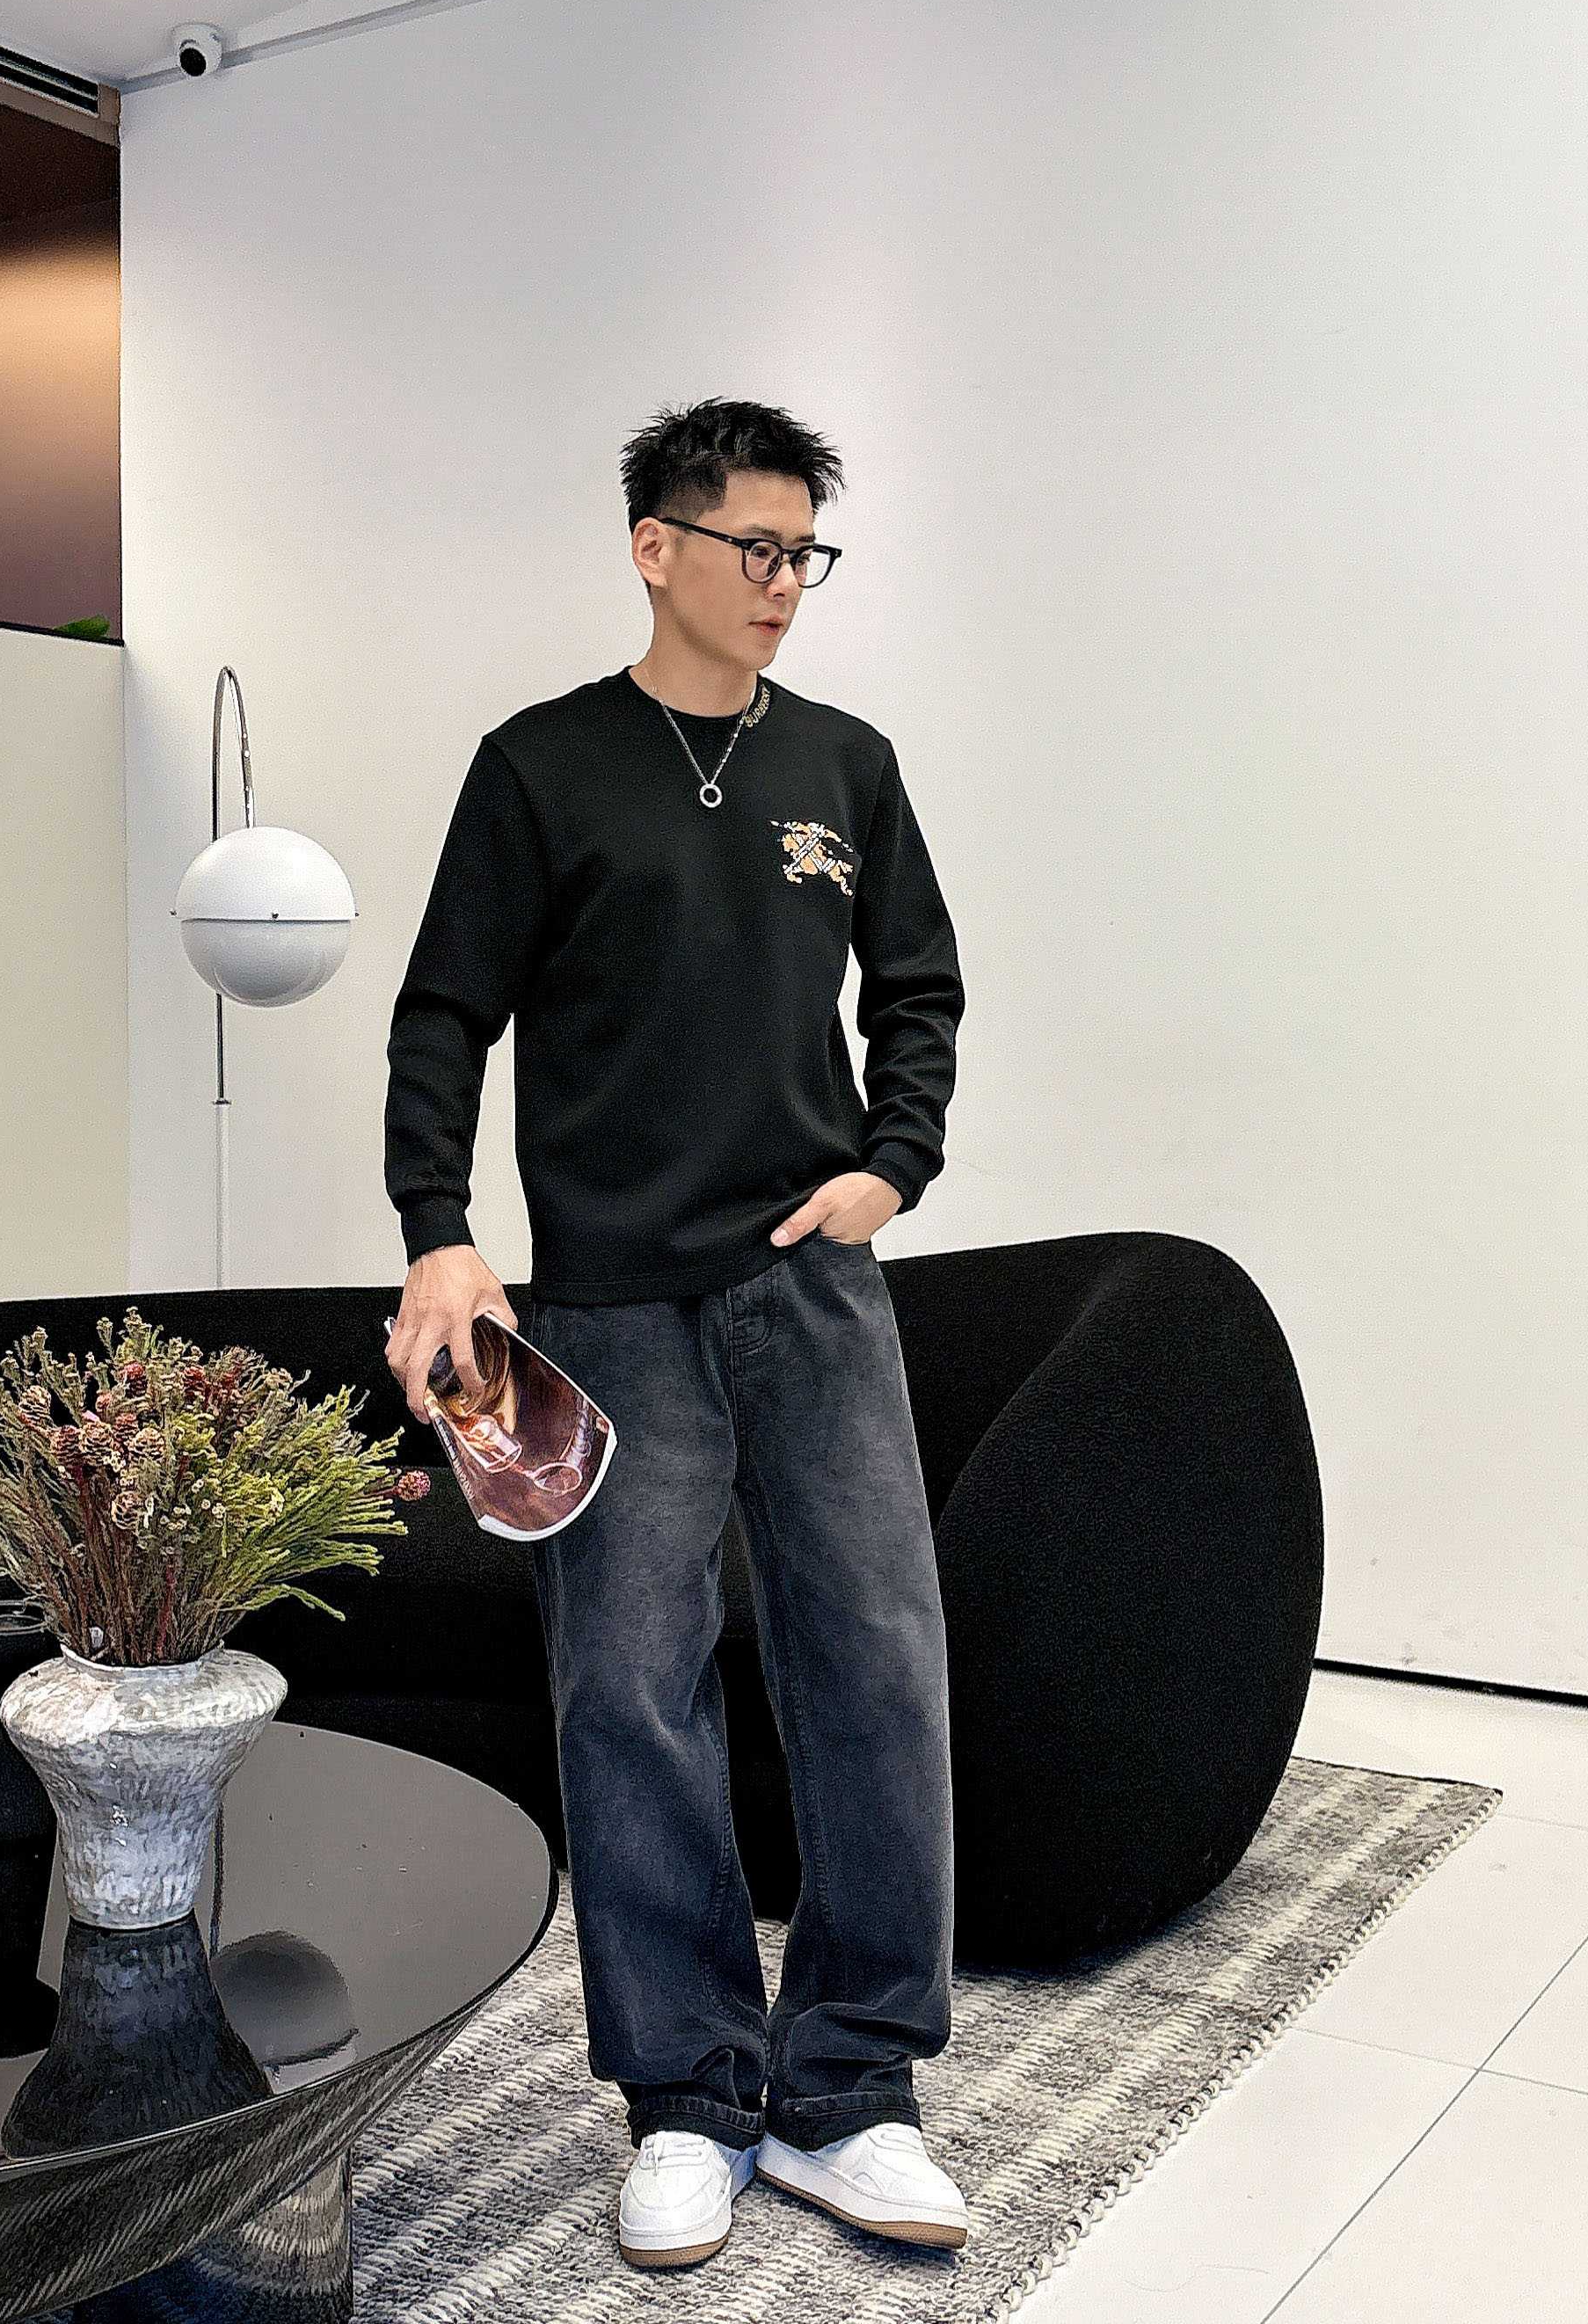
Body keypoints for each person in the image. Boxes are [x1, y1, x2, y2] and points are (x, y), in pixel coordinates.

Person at [382, 397, 969, 2269]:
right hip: (611, 1308)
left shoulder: (848, 766)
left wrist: (892, 1165)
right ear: (657, 548)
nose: (785, 583)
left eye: (808, 555)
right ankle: (691, 2102)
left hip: (812, 1288)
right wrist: (439, 1236)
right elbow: (442, 1015)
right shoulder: (540, 767)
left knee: (877, 1666)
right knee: (629, 1692)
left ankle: (853, 2090)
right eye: (756, 548)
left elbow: (923, 988)